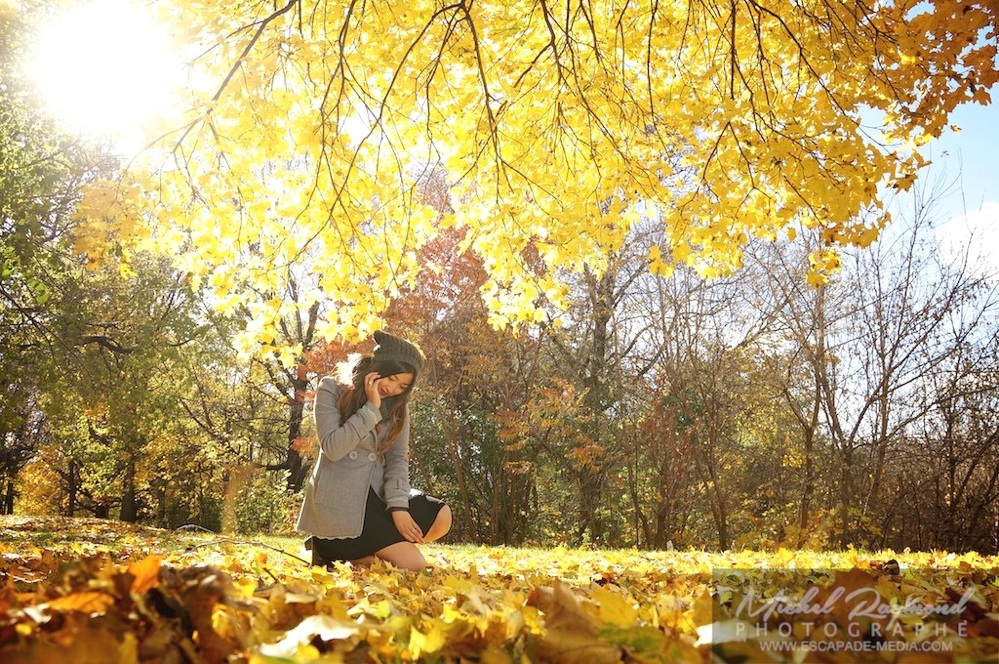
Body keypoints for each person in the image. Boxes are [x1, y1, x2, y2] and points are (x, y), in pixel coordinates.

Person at [296, 330, 452, 571]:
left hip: (378, 496)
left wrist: (398, 507)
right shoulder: (332, 388)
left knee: (441, 515)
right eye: (391, 378)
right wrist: (371, 409)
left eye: (402, 386)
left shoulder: (399, 408)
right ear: (378, 366)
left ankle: (373, 551)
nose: (393, 388)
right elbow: (333, 448)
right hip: (341, 503)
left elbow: (397, 460)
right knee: (414, 565)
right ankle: (332, 549)